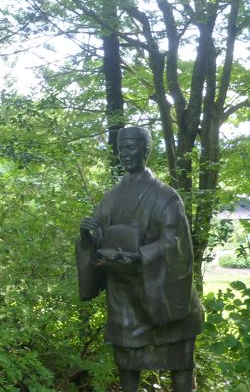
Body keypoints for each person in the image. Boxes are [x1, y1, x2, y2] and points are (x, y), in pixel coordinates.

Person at [76, 126, 202, 392]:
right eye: (121, 149)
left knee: (179, 362)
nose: (125, 154)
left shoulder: (166, 197)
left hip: (163, 294)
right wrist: (88, 237)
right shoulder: (111, 198)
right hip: (124, 296)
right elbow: (100, 240)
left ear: (145, 150)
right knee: (127, 363)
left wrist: (140, 257)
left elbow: (175, 243)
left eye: (131, 148)